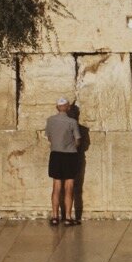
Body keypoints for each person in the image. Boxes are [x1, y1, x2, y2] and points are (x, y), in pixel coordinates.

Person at [45, 96, 81, 226]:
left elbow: (49, 137)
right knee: (69, 186)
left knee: (56, 186)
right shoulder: (72, 122)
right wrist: (71, 145)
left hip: (55, 154)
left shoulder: (50, 120)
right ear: (68, 107)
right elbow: (77, 140)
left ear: (57, 107)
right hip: (70, 155)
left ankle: (54, 216)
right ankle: (68, 217)